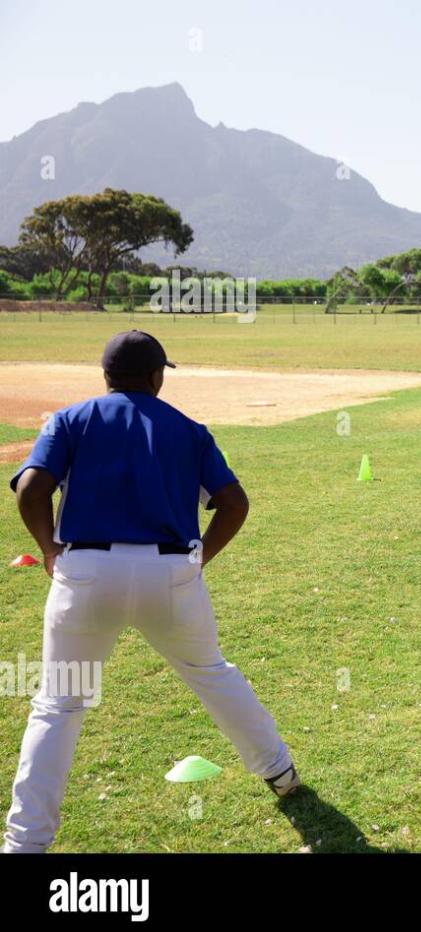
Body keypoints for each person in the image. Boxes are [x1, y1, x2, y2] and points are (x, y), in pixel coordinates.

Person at [4, 331, 298, 853]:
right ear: (157, 375)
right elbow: (234, 503)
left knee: (59, 706)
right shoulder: (188, 429)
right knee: (211, 673)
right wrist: (197, 559)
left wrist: (49, 548)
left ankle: (25, 843)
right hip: (170, 574)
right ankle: (279, 772)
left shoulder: (70, 419)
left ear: (106, 375)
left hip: (87, 573)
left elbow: (31, 488)